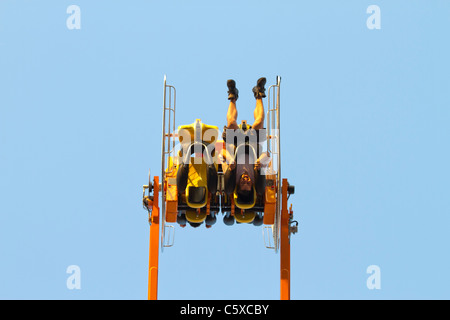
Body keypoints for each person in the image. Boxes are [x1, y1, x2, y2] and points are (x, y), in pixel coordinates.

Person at [221, 77, 271, 204]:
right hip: (253, 144)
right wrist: (260, 161)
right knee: (258, 123)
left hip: (236, 143)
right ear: (252, 186)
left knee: (231, 123)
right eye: (248, 183)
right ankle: (259, 93)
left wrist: (231, 160)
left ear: (238, 186)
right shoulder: (257, 178)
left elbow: (221, 154)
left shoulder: (232, 176)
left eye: (243, 182)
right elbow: (268, 156)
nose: (246, 179)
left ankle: (232, 95)